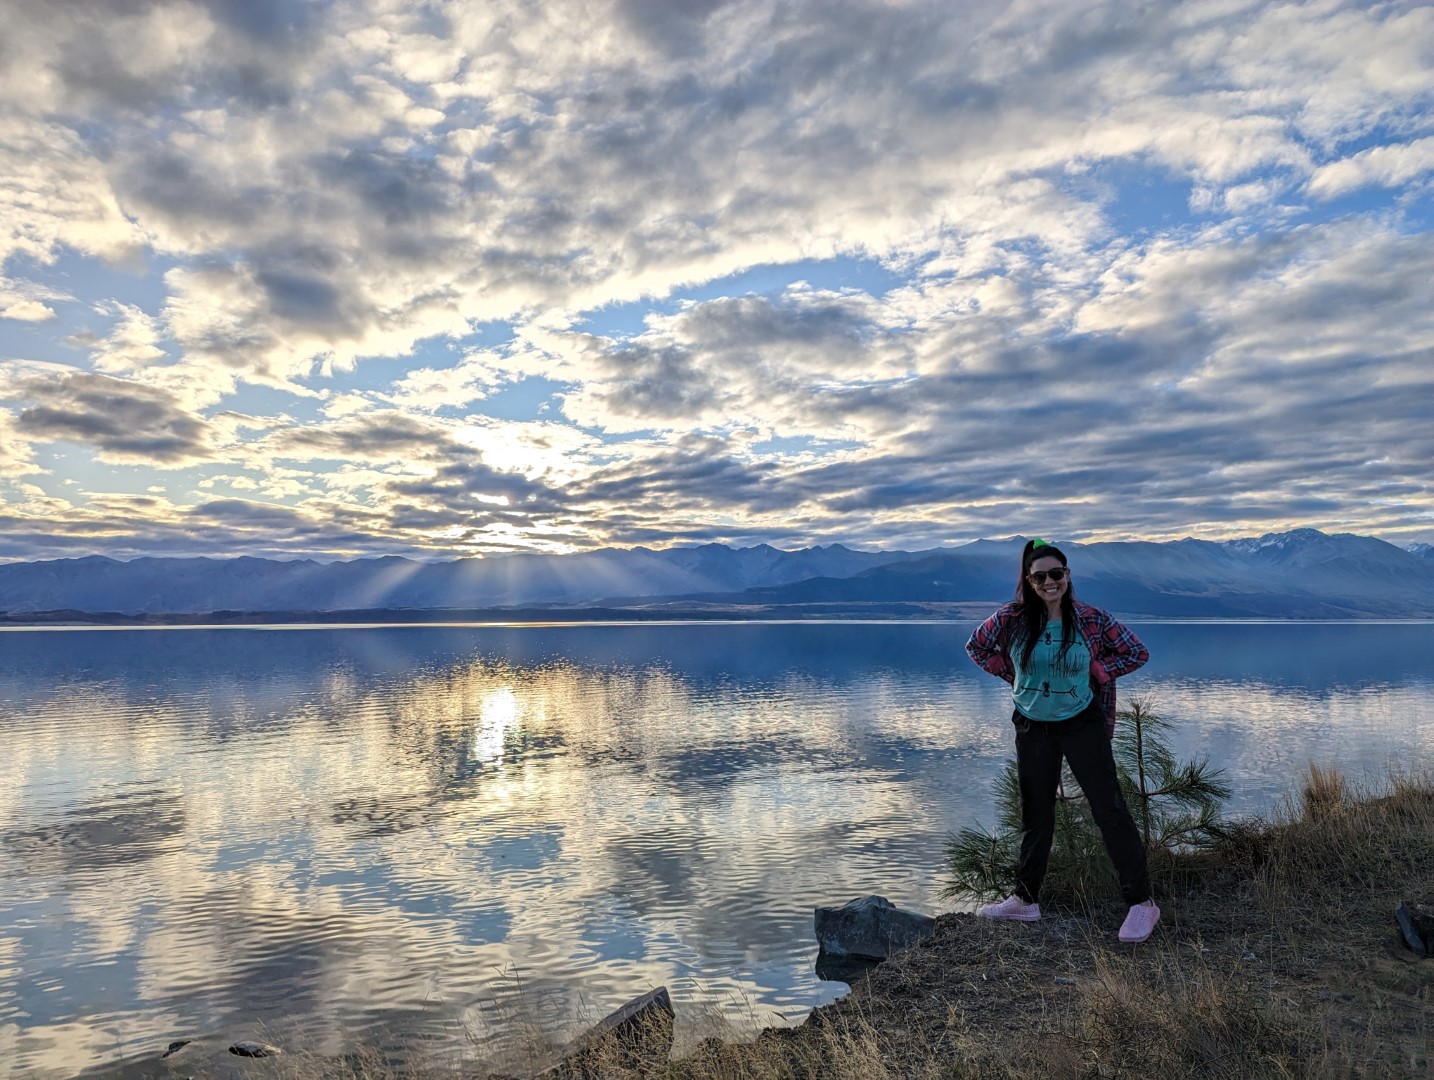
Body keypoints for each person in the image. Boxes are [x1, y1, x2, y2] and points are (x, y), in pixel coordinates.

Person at [964, 538, 1160, 943]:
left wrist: (1099, 670)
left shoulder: (1091, 619)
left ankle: (1141, 904)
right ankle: (1025, 900)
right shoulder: (1011, 618)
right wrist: (1012, 676)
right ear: (1029, 580)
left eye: (1057, 574)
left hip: (1081, 722)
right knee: (1036, 814)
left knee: (1109, 809)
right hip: (1033, 724)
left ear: (1068, 576)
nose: (1049, 582)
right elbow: (977, 647)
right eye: (1040, 576)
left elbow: (1136, 653)